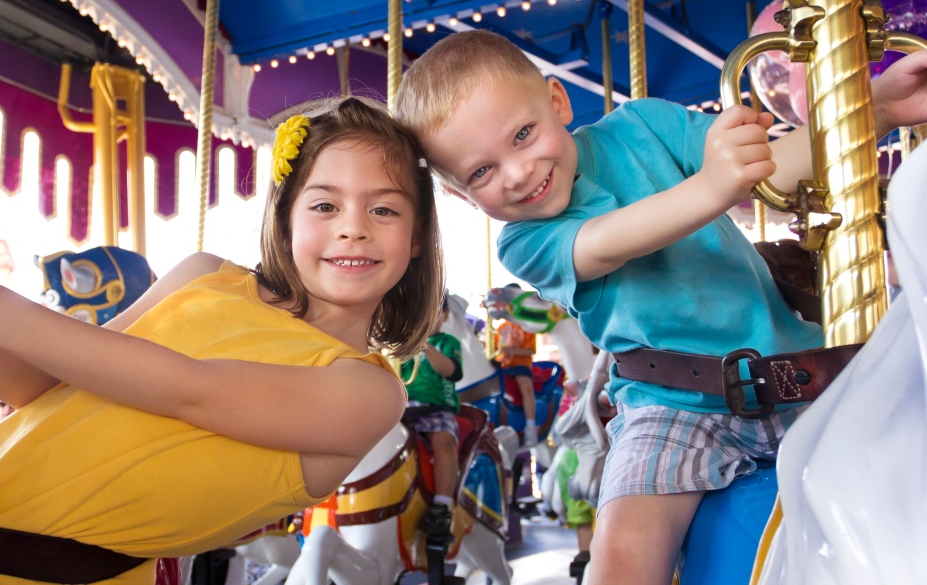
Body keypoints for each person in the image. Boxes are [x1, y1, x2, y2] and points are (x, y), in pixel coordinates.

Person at [395, 29, 927, 585]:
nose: (517, 172)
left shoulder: (644, 126)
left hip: (797, 374)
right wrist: (713, 187)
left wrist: (880, 107)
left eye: (523, 135)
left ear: (557, 102)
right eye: (481, 172)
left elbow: (769, 169)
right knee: (621, 558)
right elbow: (609, 241)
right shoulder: (525, 241)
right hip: (672, 409)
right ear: (459, 194)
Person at [0, 96, 444, 585]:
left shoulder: (367, 393)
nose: (353, 228)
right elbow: (48, 389)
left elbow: (190, 390)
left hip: (29, 572)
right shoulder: (203, 275)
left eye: (384, 210)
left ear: (417, 236)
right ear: (286, 217)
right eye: (325, 206)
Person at [399, 292, 463, 538]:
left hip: (436, 408)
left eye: (433, 311)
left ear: (445, 315)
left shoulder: (447, 343)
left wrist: (424, 345)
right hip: (403, 409)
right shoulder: (402, 345)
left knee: (443, 442)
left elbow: (450, 371)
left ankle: (442, 505)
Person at [493, 285, 538, 447]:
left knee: (525, 387)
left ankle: (531, 426)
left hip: (520, 364)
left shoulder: (526, 324)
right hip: (504, 365)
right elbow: (494, 351)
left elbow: (531, 350)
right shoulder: (500, 328)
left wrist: (513, 350)